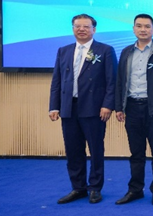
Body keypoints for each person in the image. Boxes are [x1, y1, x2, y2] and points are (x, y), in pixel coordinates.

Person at [50, 14, 117, 204]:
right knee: (73, 150)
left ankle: (95, 187)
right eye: (77, 26)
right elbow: (56, 81)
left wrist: (107, 105)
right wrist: (54, 106)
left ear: (93, 29)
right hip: (68, 108)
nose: (81, 29)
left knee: (95, 149)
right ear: (73, 29)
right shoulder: (63, 51)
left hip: (94, 108)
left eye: (86, 26)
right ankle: (78, 187)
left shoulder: (105, 50)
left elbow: (112, 81)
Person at [114, 14, 153, 205]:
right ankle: (135, 190)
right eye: (139, 26)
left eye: (147, 26)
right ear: (134, 29)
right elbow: (120, 81)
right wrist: (119, 107)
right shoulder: (126, 52)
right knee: (136, 152)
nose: (143, 30)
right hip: (132, 107)